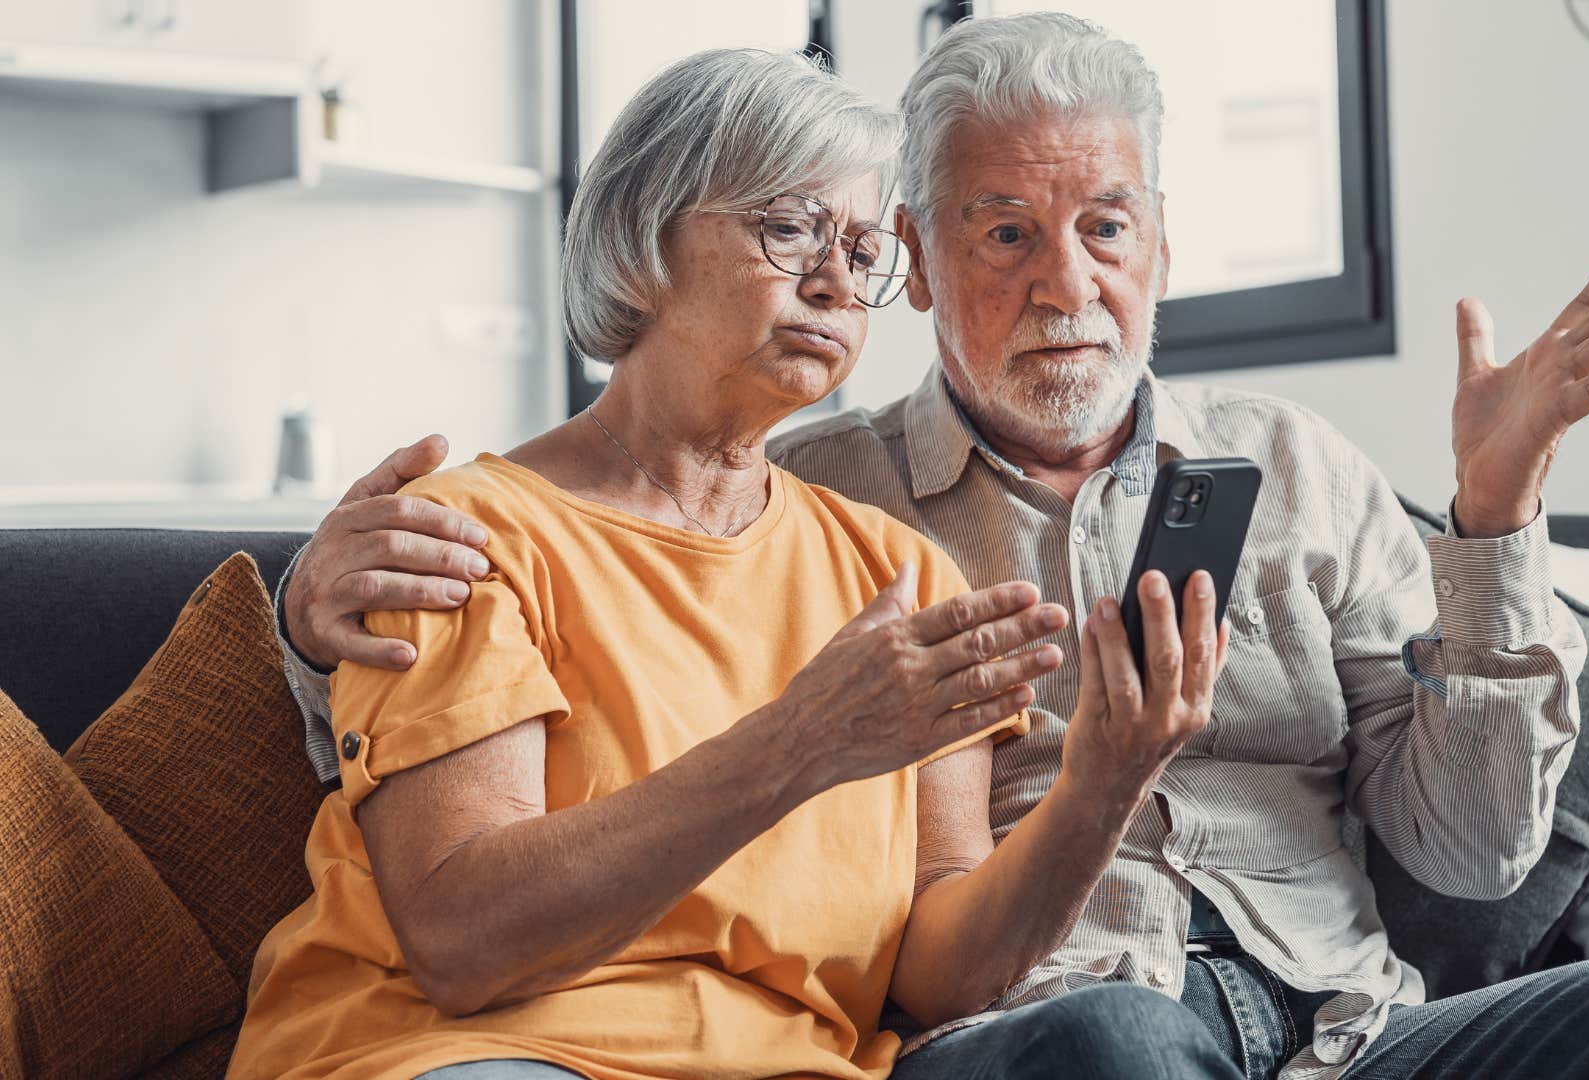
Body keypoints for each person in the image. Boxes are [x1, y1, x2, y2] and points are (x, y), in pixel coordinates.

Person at [275, 14, 1589, 1080]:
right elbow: (466, 781)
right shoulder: (825, 502)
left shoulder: (1266, 476)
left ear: (1161, 248)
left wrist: (1489, 525)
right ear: (941, 270)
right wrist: (300, 610)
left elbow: (1477, 858)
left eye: (1103, 227)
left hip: (1347, 1029)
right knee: (1113, 1044)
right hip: (1068, 1029)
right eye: (999, 231)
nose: (1063, 280)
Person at [229, 46, 1241, 1080]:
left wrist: (1103, 782)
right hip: (476, 1053)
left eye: (858, 247)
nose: (837, 280)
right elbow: (464, 941)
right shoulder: (460, 536)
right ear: (643, 237)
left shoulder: (904, 574)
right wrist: (800, 741)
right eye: (791, 227)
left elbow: (938, 973)